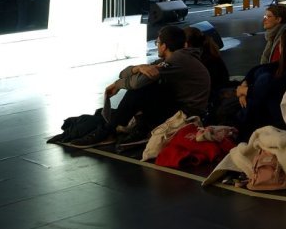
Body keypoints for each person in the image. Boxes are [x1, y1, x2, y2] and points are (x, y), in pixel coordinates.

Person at [72, 25, 211, 147]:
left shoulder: (178, 60)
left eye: (158, 42)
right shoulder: (180, 57)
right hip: (186, 108)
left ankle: (108, 131)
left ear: (164, 46)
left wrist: (118, 85)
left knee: (143, 89)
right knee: (149, 85)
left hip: (188, 114)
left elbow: (138, 82)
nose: (156, 45)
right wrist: (137, 68)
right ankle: (127, 128)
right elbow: (124, 74)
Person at [236, 26, 286, 135]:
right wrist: (245, 82)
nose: (279, 47)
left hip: (283, 116)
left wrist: (245, 91)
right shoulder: (285, 63)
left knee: (265, 81)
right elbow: (258, 69)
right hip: (273, 111)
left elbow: (276, 87)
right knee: (263, 75)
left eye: (281, 44)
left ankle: (242, 124)